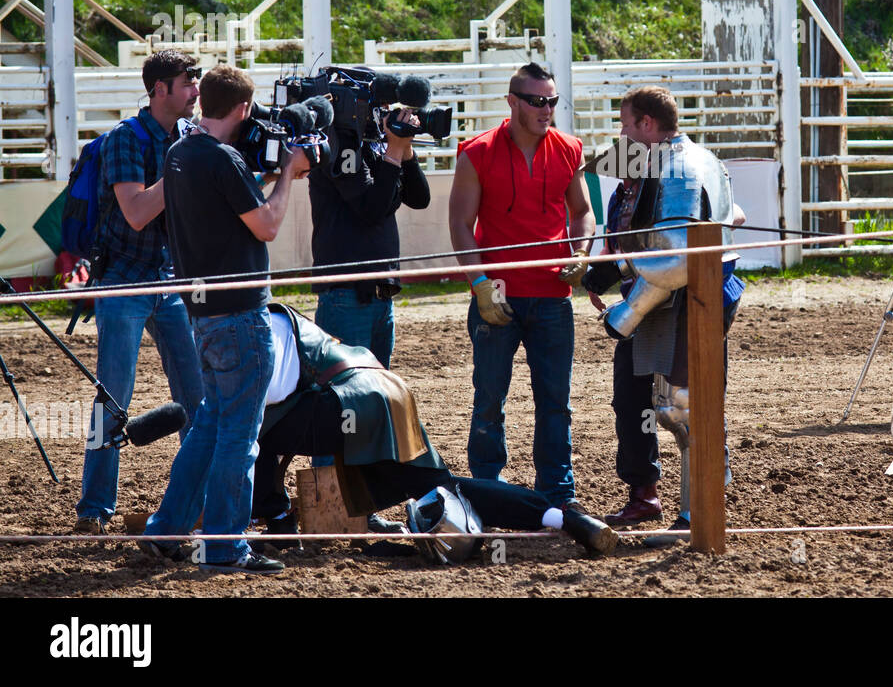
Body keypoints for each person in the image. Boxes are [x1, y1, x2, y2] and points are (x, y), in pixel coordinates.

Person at [248, 303, 615, 560]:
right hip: (383, 389)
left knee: (249, 431)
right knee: (440, 486)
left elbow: (248, 417)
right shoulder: (266, 318)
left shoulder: (247, 332)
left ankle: (276, 520)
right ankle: (562, 517)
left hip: (351, 398)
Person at [138, 65, 312, 575]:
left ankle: (167, 529)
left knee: (211, 424)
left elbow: (227, 199)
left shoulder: (180, 153)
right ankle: (223, 544)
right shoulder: (224, 158)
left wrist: (264, 173)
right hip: (240, 315)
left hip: (203, 317)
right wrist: (287, 175)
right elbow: (268, 225)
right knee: (240, 434)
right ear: (243, 110)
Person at [582, 86, 746, 546]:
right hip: (658, 292)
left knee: (684, 405)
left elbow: (678, 259)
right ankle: (644, 494)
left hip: (692, 297)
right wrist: (599, 276)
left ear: (647, 126)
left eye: (626, 124)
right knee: (632, 398)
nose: (622, 133)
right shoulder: (660, 163)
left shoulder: (683, 167)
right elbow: (642, 240)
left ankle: (699, 511)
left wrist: (626, 313)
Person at [447, 62, 595, 510]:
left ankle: (557, 493)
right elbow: (459, 222)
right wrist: (479, 284)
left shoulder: (570, 149)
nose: (546, 108)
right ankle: (489, 489)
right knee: (489, 395)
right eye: (536, 101)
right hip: (498, 296)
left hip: (553, 296)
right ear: (512, 102)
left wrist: (582, 252)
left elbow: (583, 212)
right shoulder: (477, 151)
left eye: (551, 100)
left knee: (556, 401)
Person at [73, 51, 204, 536]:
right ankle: (95, 509)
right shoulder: (125, 138)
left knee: (200, 400)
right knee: (113, 400)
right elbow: (136, 212)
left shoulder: (189, 138)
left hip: (171, 281)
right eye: (186, 83)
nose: (194, 90)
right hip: (123, 281)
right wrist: (187, 167)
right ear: (159, 90)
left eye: (195, 82)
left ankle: (192, 501)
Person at [308, 100, 430, 371]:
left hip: (380, 293)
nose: (385, 116)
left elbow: (420, 198)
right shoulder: (340, 145)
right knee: (347, 389)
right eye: (380, 108)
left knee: (376, 387)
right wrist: (394, 151)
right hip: (346, 295)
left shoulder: (373, 146)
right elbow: (371, 210)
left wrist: (404, 148)